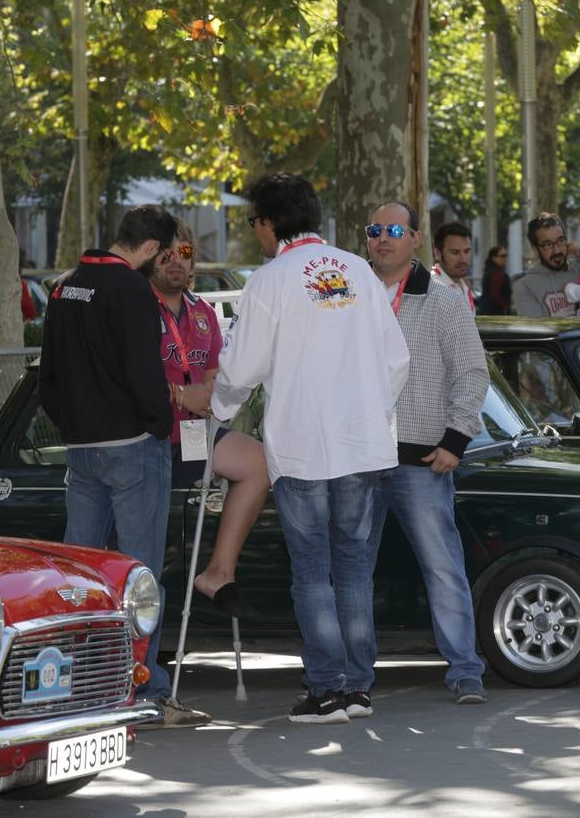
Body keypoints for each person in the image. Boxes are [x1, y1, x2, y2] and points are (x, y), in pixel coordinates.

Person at [210, 174, 409, 723]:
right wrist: (371, 410)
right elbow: (397, 361)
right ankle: (358, 687)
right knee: (352, 570)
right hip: (364, 446)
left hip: (301, 447)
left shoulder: (269, 281)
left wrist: (220, 410)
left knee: (313, 571)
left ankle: (326, 688)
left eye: (253, 222)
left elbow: (242, 368)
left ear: (268, 223)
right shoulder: (361, 274)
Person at [38, 204, 209, 727]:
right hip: (133, 446)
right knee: (140, 574)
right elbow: (143, 372)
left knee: (79, 576)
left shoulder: (65, 285)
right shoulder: (132, 291)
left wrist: (72, 426)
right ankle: (145, 687)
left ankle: (75, 685)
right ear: (153, 247)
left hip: (81, 449)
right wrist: (159, 424)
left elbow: (48, 375)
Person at [363, 202, 491, 708]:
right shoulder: (347, 296)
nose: (382, 238)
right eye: (374, 230)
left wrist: (456, 440)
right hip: (357, 457)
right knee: (353, 572)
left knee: (443, 566)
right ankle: (353, 678)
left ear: (415, 238)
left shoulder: (441, 300)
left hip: (421, 459)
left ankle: (465, 671)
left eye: (393, 230)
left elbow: (472, 373)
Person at [147, 222, 272, 619]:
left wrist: (214, 390)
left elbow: (217, 371)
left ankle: (219, 572)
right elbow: (128, 377)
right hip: (146, 439)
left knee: (261, 462)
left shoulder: (202, 311)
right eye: (166, 253)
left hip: (194, 434)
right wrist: (181, 395)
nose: (175, 262)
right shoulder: (136, 308)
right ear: (150, 255)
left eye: (184, 253)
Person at [511, 213, 579, 317]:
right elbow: (536, 331)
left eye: (561, 241)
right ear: (535, 249)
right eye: (548, 245)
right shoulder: (525, 287)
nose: (557, 250)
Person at [430, 221, 476, 312]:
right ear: (437, 253)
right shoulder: (431, 287)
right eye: (455, 252)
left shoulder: (463, 284)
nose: (463, 259)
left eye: (467, 251)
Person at [477, 245, 512, 315]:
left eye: (506, 255)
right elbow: (494, 294)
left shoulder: (490, 272)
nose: (505, 258)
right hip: (495, 313)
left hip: (486, 311)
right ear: (494, 258)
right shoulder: (497, 273)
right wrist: (505, 306)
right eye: (502, 256)